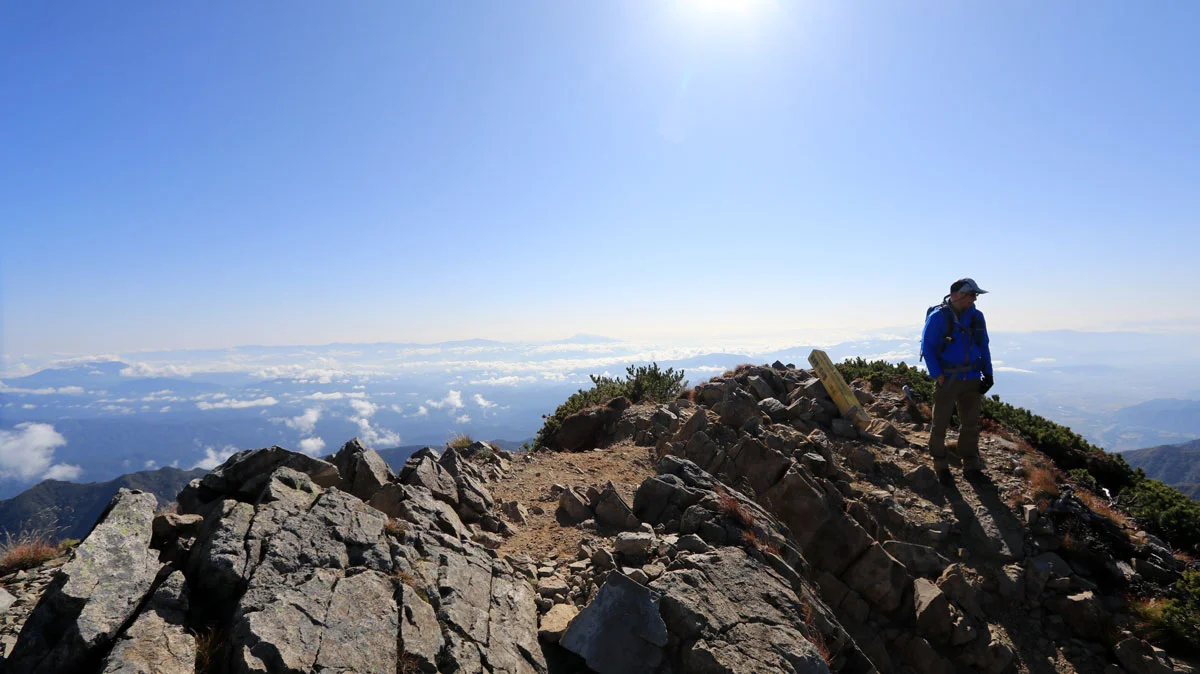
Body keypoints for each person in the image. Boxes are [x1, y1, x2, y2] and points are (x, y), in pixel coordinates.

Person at [921, 278, 994, 484]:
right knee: (940, 422)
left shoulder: (976, 317)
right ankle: (940, 463)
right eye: (971, 294)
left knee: (970, 423)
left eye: (975, 295)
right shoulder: (938, 317)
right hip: (949, 378)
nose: (974, 299)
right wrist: (939, 376)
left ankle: (970, 462)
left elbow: (984, 345)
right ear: (956, 295)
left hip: (972, 377)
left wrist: (988, 374)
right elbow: (927, 347)